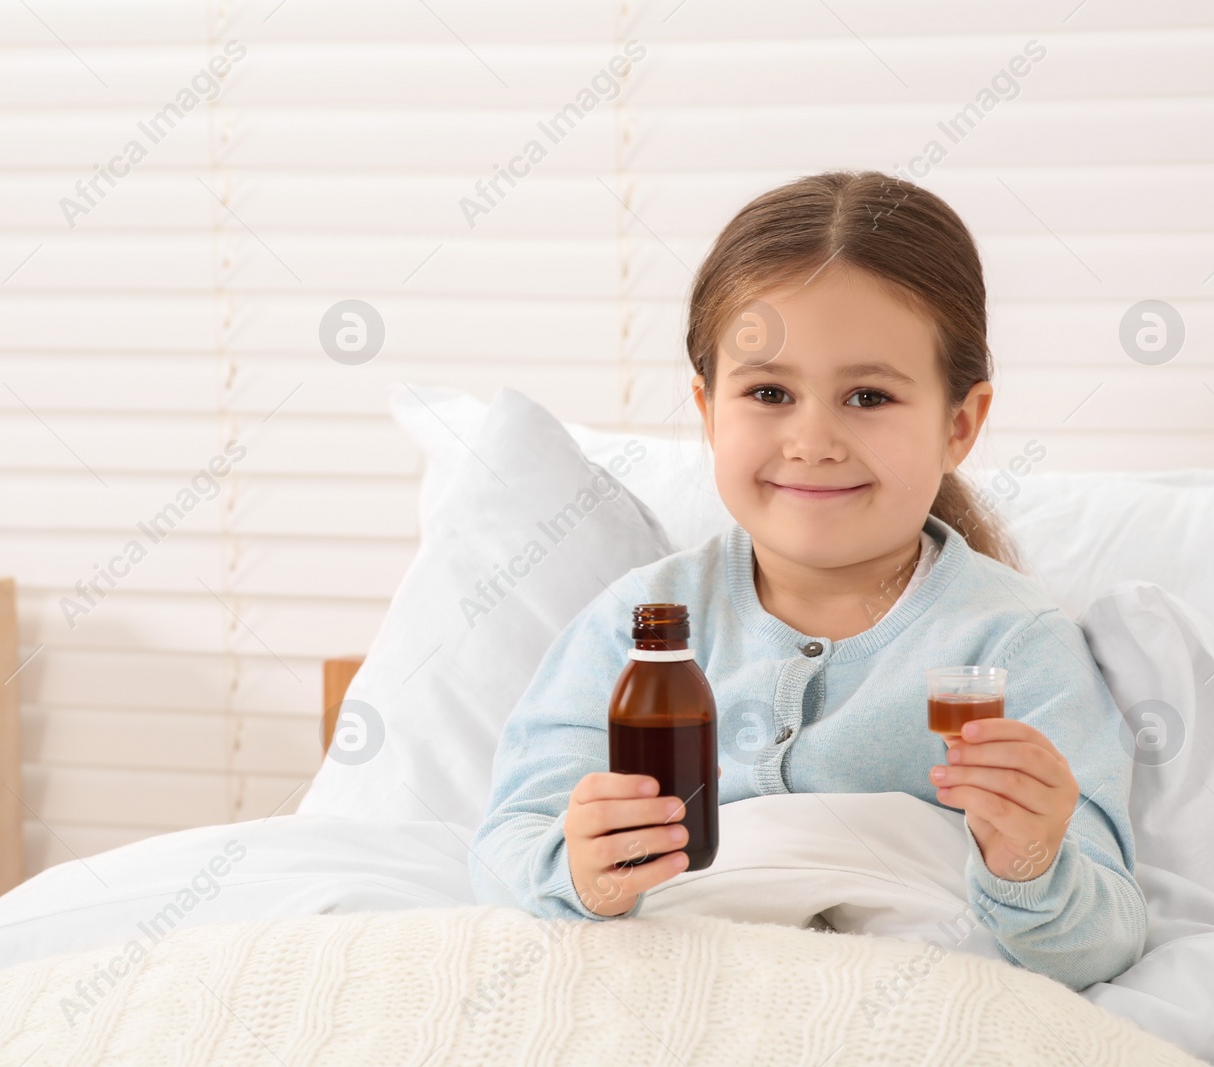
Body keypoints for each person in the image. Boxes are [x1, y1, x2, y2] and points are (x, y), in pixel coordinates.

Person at [468, 170, 1146, 992]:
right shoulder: (635, 628)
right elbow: (508, 850)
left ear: (959, 424)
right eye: (768, 392)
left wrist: (1028, 860)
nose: (812, 438)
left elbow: (1106, 937)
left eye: (868, 395)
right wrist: (580, 871)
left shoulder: (1013, 645)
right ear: (709, 410)